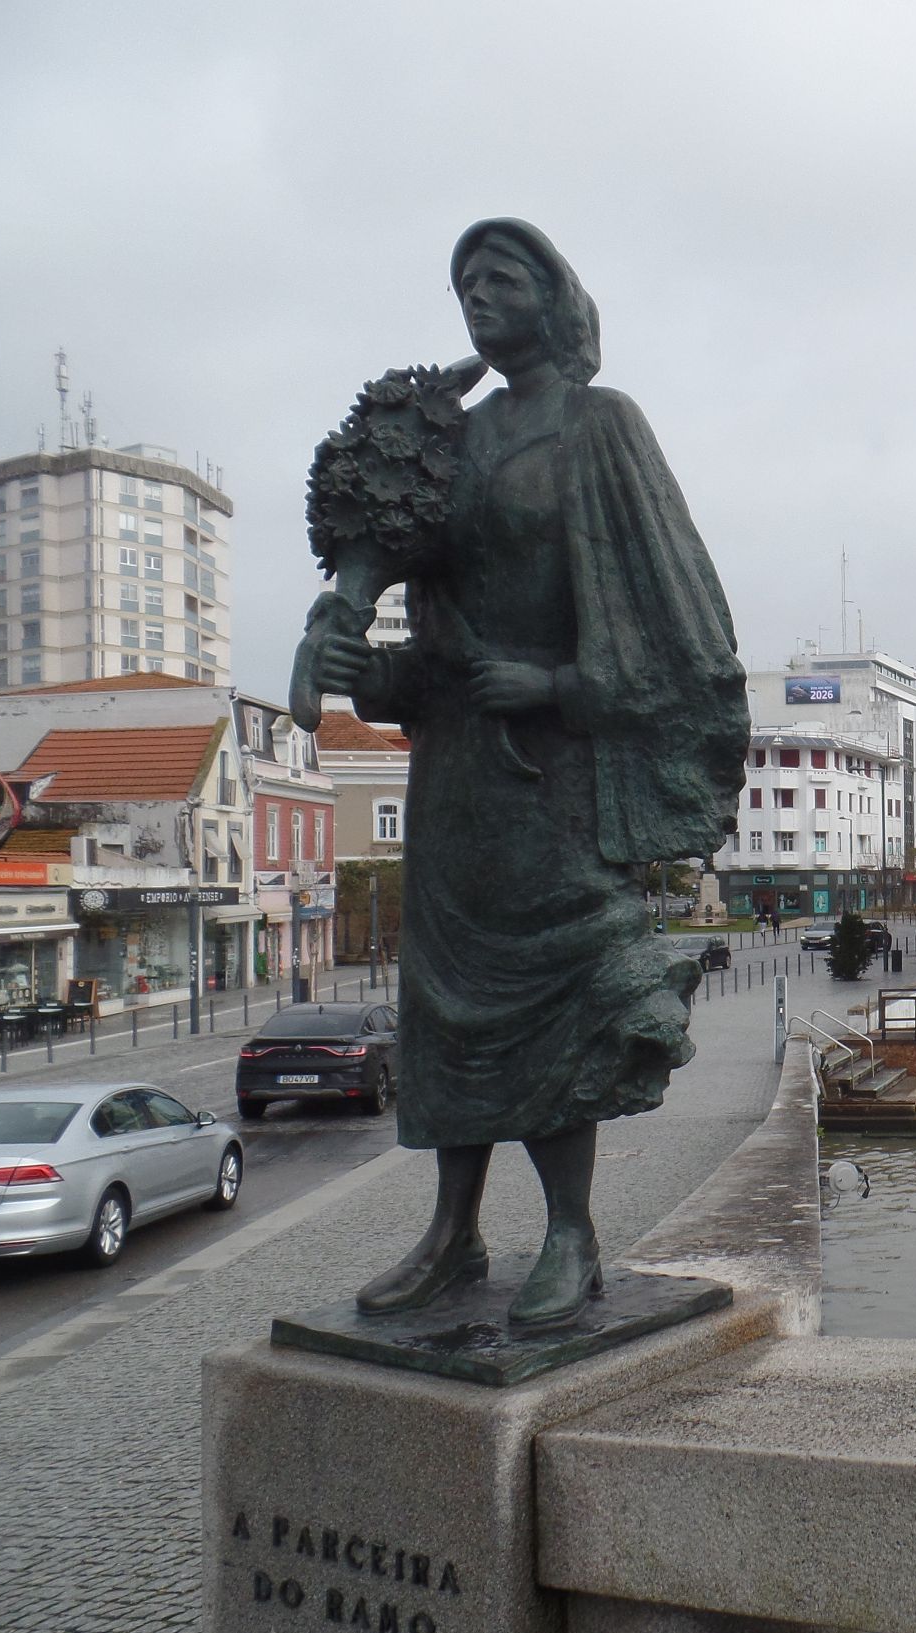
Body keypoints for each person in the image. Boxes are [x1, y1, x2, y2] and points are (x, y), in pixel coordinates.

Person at [299, 218, 747, 1327]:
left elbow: (682, 632)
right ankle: (452, 1236)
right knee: (446, 1009)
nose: (477, 296)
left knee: (559, 1001)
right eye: (464, 282)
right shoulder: (452, 442)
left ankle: (571, 1235)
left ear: (554, 297)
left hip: (557, 777)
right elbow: (434, 643)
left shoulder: (601, 425)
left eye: (500, 277)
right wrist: (372, 673)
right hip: (457, 780)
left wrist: (557, 685)